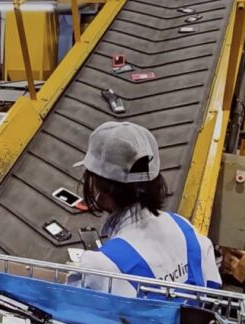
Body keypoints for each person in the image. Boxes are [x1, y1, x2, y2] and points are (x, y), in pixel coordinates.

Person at [71, 121, 221, 297]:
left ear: (102, 188)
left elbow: (67, 309)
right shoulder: (185, 228)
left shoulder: (101, 266)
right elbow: (213, 285)